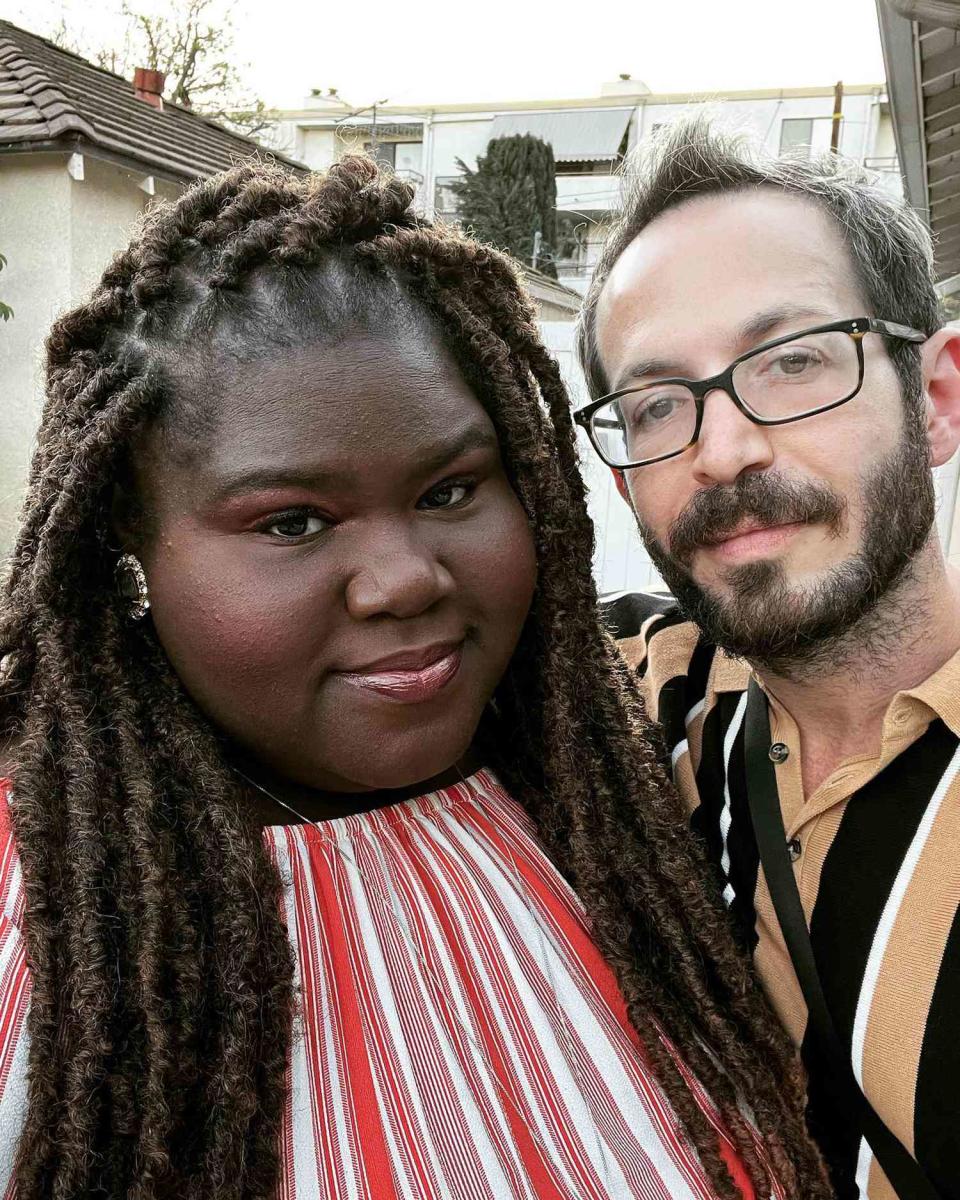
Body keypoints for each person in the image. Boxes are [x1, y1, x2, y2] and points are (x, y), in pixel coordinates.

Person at [0, 157, 827, 1200]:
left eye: (448, 492)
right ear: (128, 542)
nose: (402, 582)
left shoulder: (614, 794)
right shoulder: (54, 894)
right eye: (292, 522)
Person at [574, 116, 960, 1200]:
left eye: (792, 364)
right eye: (657, 405)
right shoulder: (649, 701)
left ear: (935, 397)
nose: (723, 451)